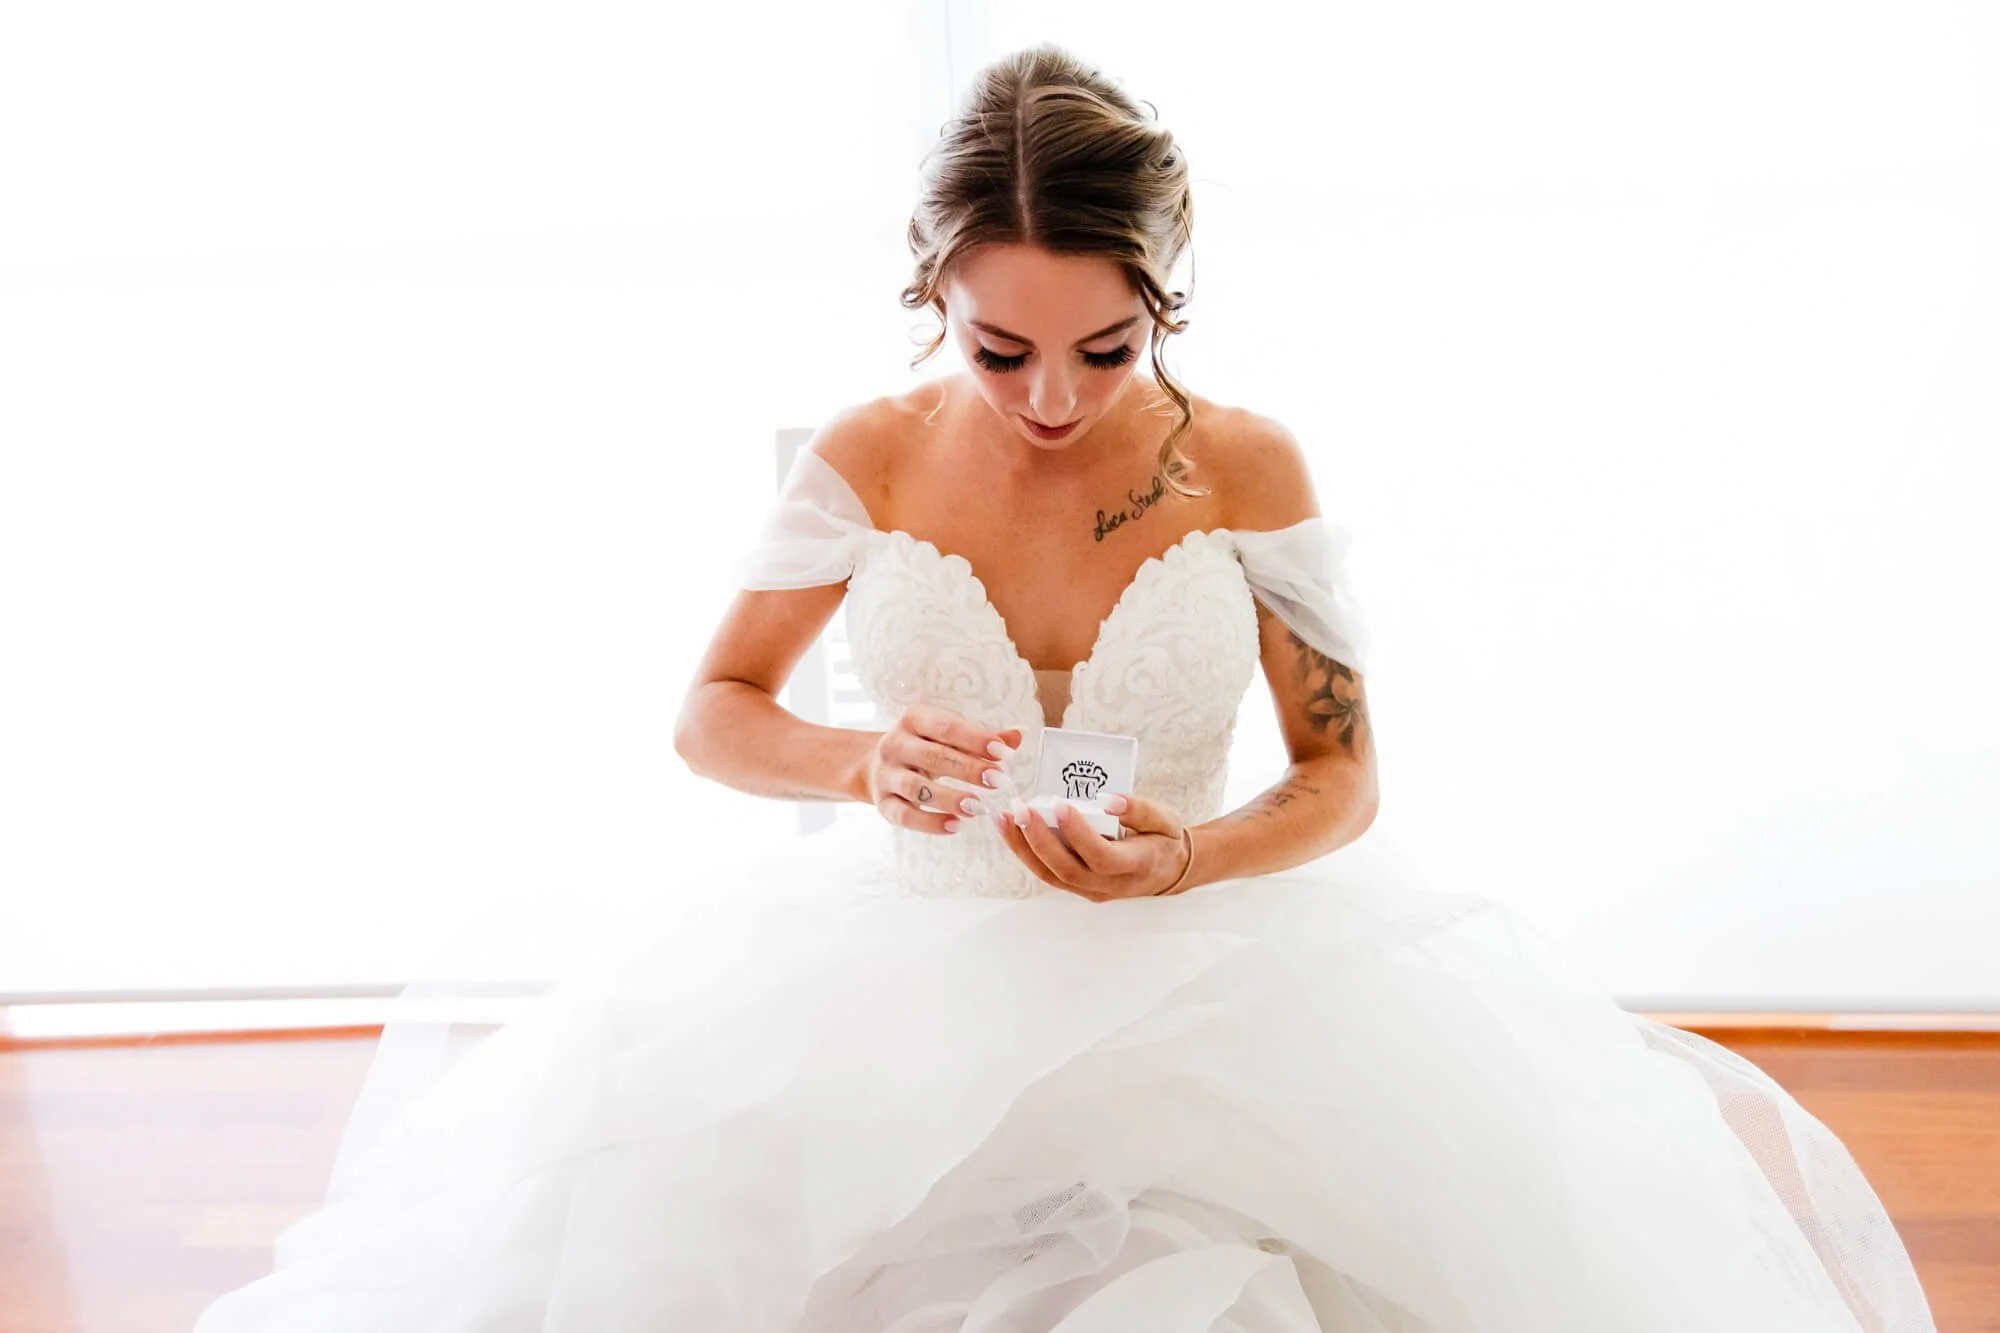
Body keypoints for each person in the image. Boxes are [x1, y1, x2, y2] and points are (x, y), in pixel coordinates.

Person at [193, 44, 1937, 1333]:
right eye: (998, 346)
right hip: (893, 968)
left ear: (1164, 296)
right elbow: (713, 709)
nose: (1048, 398)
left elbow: (1341, 778)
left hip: (1214, 973)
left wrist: (1183, 861)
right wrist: (865, 760)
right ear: (934, 291)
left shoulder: (1250, 465)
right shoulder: (865, 456)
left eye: (1105, 349)